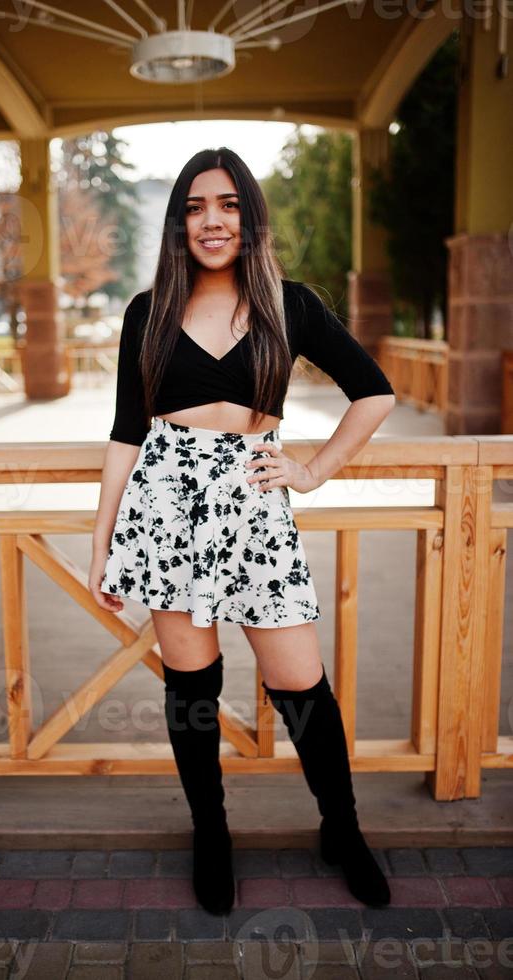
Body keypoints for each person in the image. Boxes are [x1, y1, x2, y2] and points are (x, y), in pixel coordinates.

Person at [90, 146, 396, 916]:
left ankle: (344, 830)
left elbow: (374, 393)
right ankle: (212, 835)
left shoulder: (289, 305)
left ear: (249, 218)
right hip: (164, 508)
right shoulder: (147, 311)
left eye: (226, 205)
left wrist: (313, 470)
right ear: (178, 224)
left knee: (301, 685)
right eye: (194, 208)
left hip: (256, 508)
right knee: (192, 686)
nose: (211, 221)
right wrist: (103, 547)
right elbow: (127, 435)